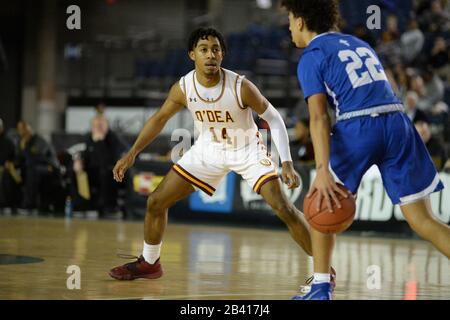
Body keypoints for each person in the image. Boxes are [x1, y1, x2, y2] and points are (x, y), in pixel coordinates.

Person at [109, 27, 317, 282]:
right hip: (209, 150)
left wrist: (286, 162)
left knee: (284, 208)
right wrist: (132, 153)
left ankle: (323, 270)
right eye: (204, 49)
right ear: (191, 54)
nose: (210, 55)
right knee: (155, 202)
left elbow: (274, 119)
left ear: (222, 55)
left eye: (216, 50)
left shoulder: (241, 86)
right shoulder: (183, 87)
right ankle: (150, 263)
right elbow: (159, 119)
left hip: (247, 149)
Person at [281, 0, 450, 300]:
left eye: (291, 19)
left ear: (301, 22)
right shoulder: (359, 43)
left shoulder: (312, 56)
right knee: (424, 220)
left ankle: (320, 287)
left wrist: (322, 171)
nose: (289, 26)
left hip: (360, 124)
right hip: (398, 122)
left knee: (323, 197)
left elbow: (319, 117)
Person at [72, 115, 127, 214]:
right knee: (75, 171)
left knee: (104, 171)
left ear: (107, 126)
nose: (98, 129)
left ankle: (105, 206)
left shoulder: (113, 138)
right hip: (92, 170)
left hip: (110, 171)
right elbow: (84, 154)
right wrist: (79, 161)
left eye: (101, 126)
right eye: (95, 126)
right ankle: (82, 204)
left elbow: (109, 160)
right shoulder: (89, 138)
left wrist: (100, 142)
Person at [16, 120, 63, 212]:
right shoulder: (22, 142)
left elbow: (38, 158)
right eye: (19, 129)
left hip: (50, 167)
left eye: (23, 128)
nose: (21, 131)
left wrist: (24, 149)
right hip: (35, 167)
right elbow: (19, 159)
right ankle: (12, 203)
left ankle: (29, 205)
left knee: (32, 170)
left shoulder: (39, 140)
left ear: (29, 129)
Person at [0, 118, 21, 210]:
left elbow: (14, 158)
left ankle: (5, 204)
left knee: (6, 174)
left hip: (8, 168)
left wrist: (10, 163)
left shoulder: (8, 142)